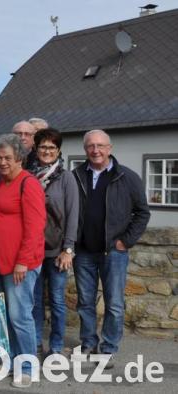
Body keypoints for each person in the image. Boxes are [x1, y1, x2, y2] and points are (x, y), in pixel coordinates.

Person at [72, 129, 149, 367]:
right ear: (85, 149)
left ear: (110, 148)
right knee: (85, 301)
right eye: (91, 146)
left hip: (113, 252)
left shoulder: (127, 176)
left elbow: (142, 212)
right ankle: (88, 341)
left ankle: (108, 347)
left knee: (114, 302)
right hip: (83, 251)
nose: (96, 150)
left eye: (100, 146)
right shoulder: (75, 175)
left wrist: (125, 241)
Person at [0, 134, 46, 388]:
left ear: (19, 158)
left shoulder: (28, 183)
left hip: (21, 264)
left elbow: (35, 227)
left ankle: (27, 367)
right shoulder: (2, 183)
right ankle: (12, 361)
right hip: (1, 262)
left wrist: (22, 261)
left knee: (20, 316)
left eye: (7, 158)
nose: (2, 162)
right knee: (7, 317)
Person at [28, 128, 80, 357]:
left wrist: (68, 249)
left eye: (51, 147)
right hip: (34, 250)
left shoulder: (66, 177)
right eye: (43, 147)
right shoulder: (28, 176)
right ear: (36, 149)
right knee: (35, 301)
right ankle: (36, 343)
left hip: (58, 251)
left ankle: (56, 346)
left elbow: (73, 214)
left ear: (58, 150)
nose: (47, 151)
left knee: (57, 301)